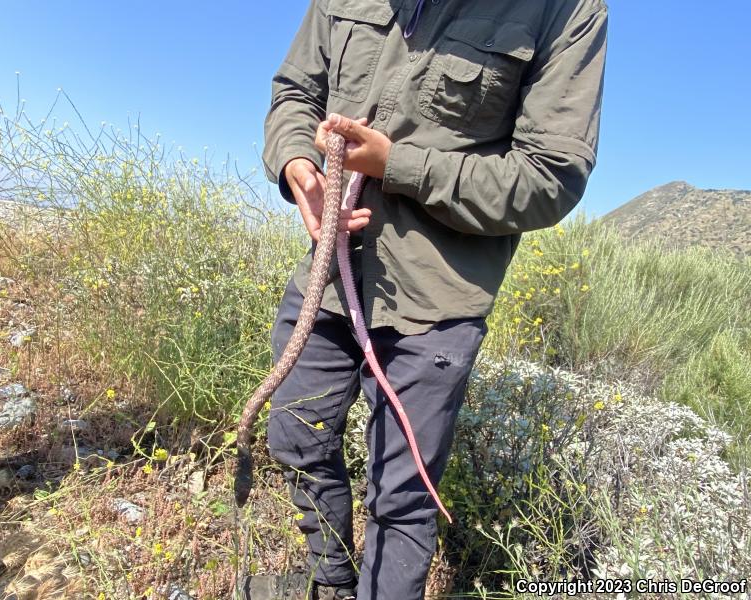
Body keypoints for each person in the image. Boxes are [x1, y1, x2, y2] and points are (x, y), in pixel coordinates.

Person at [258, 1, 607, 598]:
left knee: (401, 493)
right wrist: (296, 161)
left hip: (436, 300)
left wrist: (399, 166)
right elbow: (295, 90)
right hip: (329, 274)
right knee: (295, 433)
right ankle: (334, 584)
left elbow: (551, 177)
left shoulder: (566, 10)